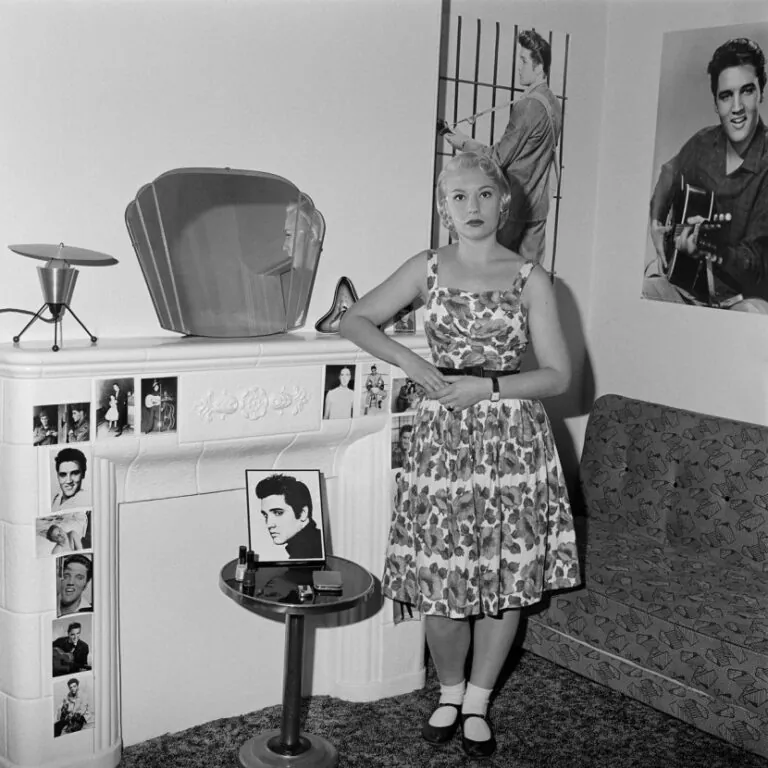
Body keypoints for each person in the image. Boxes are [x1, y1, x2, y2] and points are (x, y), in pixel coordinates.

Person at [339, 151, 580, 758]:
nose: (471, 208)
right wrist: (414, 362)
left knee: (502, 579)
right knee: (440, 577)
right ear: (444, 209)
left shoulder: (533, 278)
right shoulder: (427, 269)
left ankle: (478, 699)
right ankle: (448, 691)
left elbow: (557, 376)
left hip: (512, 440)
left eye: (483, 195)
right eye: (458, 198)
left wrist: (489, 387)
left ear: (504, 202)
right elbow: (355, 319)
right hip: (442, 439)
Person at [646, 37, 768, 311]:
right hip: (688, 287)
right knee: (646, 290)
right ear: (715, 103)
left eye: (746, 91)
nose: (736, 107)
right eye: (726, 96)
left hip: (742, 299)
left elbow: (758, 266)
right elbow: (668, 175)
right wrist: (656, 223)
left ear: (761, 92)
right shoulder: (702, 143)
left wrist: (712, 246)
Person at [439, 29, 562, 262]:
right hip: (538, 209)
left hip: (516, 208)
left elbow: (496, 158)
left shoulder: (527, 107)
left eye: (524, 61)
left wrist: (463, 142)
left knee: (495, 275)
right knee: (529, 280)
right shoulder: (553, 103)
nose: (519, 67)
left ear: (539, 67)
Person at [255, 474, 323, 559]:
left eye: (278, 513)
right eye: (265, 515)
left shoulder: (306, 554)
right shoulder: (312, 543)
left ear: (303, 513)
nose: (269, 524)